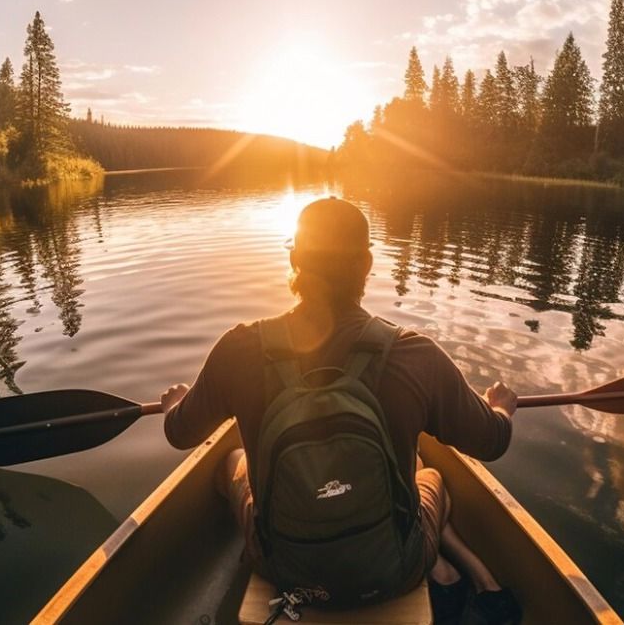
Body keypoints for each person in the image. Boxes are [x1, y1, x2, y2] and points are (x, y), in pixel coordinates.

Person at [160, 197, 521, 624]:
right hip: (392, 573)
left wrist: (175, 405)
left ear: (295, 259)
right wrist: (500, 408)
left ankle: (434, 564)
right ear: (366, 264)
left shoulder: (237, 349)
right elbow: (493, 442)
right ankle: (445, 565)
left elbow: (179, 434)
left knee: (231, 461)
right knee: (431, 474)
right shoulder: (416, 355)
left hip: (285, 570)